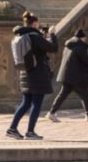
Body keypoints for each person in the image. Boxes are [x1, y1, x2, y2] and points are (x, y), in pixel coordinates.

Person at [7, 12, 58, 140]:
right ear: (35, 23)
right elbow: (53, 48)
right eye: (38, 24)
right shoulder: (35, 36)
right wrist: (52, 35)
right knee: (36, 103)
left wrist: (43, 37)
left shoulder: (21, 36)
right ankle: (30, 132)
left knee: (25, 103)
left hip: (25, 72)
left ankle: (12, 129)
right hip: (38, 74)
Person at [49, 28, 88, 122]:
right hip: (77, 77)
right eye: (85, 38)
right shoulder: (80, 46)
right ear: (82, 38)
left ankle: (52, 112)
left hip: (67, 75)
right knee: (85, 95)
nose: (86, 39)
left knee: (62, 95)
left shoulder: (69, 45)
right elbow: (87, 60)